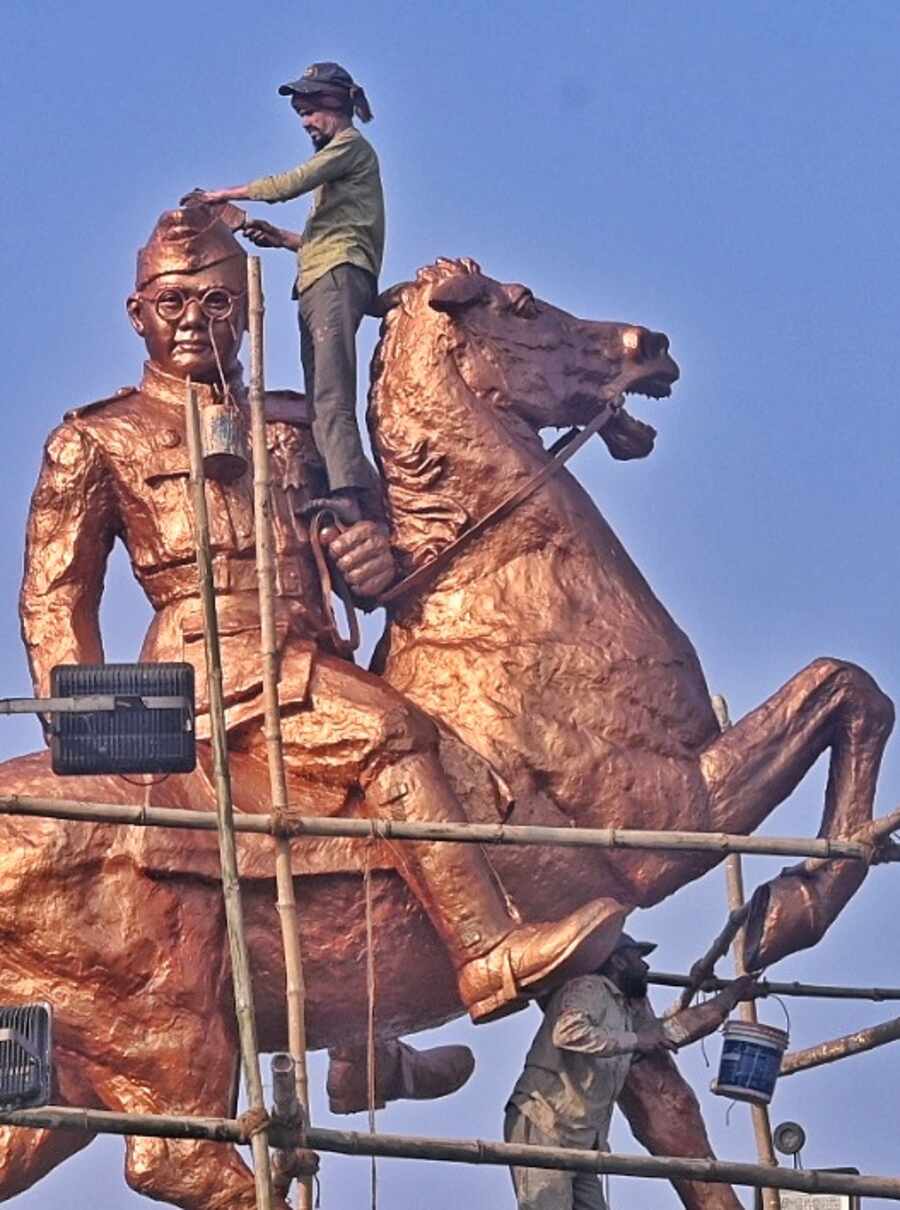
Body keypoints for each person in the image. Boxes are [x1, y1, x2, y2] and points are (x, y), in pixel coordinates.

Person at [20, 200, 623, 1032]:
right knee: (389, 731)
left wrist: (370, 557)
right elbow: (56, 598)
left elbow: (376, 540)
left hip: (317, 652)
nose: (195, 319)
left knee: (460, 749)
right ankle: (486, 951)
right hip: (213, 669)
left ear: (246, 308)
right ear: (138, 314)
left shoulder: (298, 424)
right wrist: (92, 730)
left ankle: (362, 1047)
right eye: (173, 303)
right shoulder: (98, 439)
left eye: (218, 301)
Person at [186, 61, 385, 525]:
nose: (304, 122)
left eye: (310, 110)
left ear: (334, 107)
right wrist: (281, 238)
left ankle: (351, 494)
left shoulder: (350, 147)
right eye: (300, 111)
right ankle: (339, 486)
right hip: (320, 273)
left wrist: (223, 194)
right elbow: (335, 231)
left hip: (335, 277)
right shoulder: (343, 162)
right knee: (320, 394)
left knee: (332, 392)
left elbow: (289, 185)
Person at [504, 934, 758, 1210]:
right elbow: (567, 1032)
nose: (646, 967)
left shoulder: (622, 1012)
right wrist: (637, 1040)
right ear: (619, 961)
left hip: (580, 1138)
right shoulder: (590, 988)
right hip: (545, 1123)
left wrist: (729, 997)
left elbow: (670, 1032)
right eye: (639, 959)